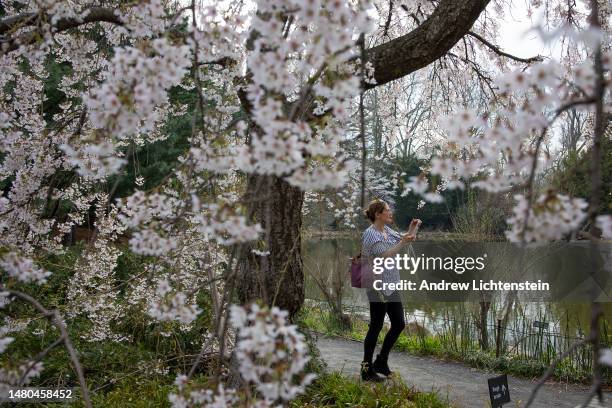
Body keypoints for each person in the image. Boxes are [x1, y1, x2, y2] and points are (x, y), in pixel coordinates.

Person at [360, 199, 421, 382]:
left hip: (391, 283)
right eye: (387, 210)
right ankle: (366, 369)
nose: (390, 213)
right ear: (378, 214)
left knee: (399, 324)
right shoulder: (370, 234)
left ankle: (381, 362)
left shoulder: (387, 231)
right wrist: (403, 242)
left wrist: (412, 229)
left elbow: (405, 241)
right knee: (376, 327)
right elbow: (384, 256)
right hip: (377, 285)